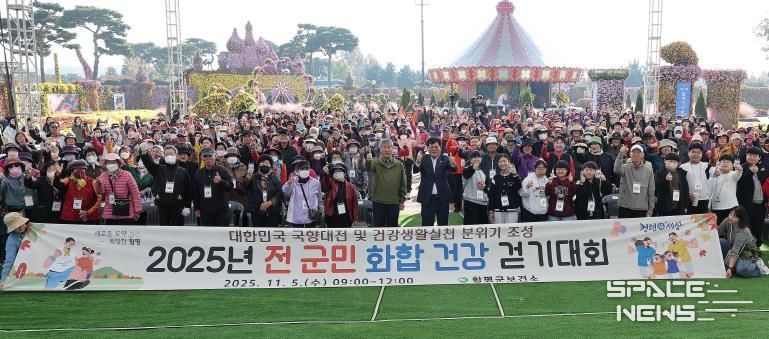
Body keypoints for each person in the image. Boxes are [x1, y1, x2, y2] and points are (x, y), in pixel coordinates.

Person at [142, 144, 193, 226]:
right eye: (167, 154)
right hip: (163, 205)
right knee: (164, 229)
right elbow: (148, 163)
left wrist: (187, 206)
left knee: (178, 229)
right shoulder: (158, 169)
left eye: (171, 154)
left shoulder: (183, 171)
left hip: (178, 206)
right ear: (164, 156)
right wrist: (144, 152)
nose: (169, 156)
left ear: (176, 156)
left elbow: (188, 189)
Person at [360, 139, 407, 227]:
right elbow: (364, 167)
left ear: (392, 149)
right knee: (378, 229)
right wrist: (365, 158)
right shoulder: (375, 162)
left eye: (389, 147)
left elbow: (403, 184)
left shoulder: (399, 164)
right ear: (380, 149)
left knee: (392, 229)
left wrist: (402, 201)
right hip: (378, 202)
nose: (386, 150)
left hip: (394, 202)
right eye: (384, 147)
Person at [414, 137, 457, 226]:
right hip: (427, 198)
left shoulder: (445, 159)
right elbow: (415, 170)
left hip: (442, 198)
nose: (434, 149)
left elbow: (454, 169)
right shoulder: (423, 158)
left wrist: (453, 163)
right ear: (427, 148)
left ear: (440, 148)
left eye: (436, 147)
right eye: (431, 147)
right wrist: (417, 162)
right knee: (426, 225)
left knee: (443, 224)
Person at [718, 206, 769, 278]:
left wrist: (730, 268)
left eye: (735, 217)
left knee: (742, 270)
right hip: (733, 248)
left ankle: (760, 268)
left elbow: (736, 251)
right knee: (721, 242)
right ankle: (733, 264)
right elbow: (718, 232)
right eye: (731, 214)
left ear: (740, 220)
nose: (731, 217)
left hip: (747, 252)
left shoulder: (743, 231)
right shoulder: (727, 221)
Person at [95, 153, 142, 225]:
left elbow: (135, 193)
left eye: (113, 162)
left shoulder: (127, 174)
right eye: (108, 162)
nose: (111, 164)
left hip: (126, 212)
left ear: (118, 163)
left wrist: (137, 211)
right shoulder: (103, 175)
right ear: (106, 164)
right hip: (110, 213)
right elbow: (100, 192)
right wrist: (99, 184)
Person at [736, 146, 769, 247]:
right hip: (746, 205)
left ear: (759, 157)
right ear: (746, 156)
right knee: (746, 227)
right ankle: (745, 249)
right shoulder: (741, 168)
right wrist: (750, 172)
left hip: (761, 205)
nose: (752, 157)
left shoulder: (764, 169)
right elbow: (741, 185)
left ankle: (757, 249)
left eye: (755, 155)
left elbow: (767, 186)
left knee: (758, 228)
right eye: (750, 155)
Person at [193, 147, 234, 226]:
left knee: (221, 235)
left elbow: (230, 187)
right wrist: (196, 208)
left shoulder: (223, 170)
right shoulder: (199, 173)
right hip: (205, 212)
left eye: (210, 156)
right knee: (206, 236)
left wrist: (221, 181)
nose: (208, 159)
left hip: (221, 212)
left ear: (214, 156)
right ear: (202, 158)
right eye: (205, 157)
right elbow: (196, 192)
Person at [614, 144, 655, 218]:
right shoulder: (625, 167)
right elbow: (616, 170)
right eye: (634, 152)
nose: (636, 154)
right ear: (630, 154)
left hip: (641, 208)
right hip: (625, 207)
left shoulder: (648, 171)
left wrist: (651, 207)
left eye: (638, 152)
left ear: (643, 155)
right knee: (624, 229)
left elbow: (651, 190)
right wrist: (620, 154)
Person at [56, 160, 101, 224]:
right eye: (77, 169)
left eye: (83, 169)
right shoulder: (67, 180)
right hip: (69, 218)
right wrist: (57, 176)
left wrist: (88, 212)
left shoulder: (91, 181)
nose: (81, 171)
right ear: (71, 171)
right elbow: (58, 185)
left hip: (89, 218)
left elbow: (99, 198)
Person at [244, 155, 283, 227]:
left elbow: (280, 193)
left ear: (271, 166)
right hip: (256, 211)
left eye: (267, 163)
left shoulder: (275, 178)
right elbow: (245, 188)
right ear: (258, 165)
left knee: (271, 233)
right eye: (262, 163)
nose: (264, 165)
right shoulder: (253, 176)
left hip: (272, 212)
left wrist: (270, 202)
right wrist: (247, 179)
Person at [283, 157, 322, 228]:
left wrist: (321, 210)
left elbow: (319, 198)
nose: (304, 170)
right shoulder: (293, 181)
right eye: (302, 169)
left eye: (306, 169)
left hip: (311, 217)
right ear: (297, 171)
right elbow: (285, 192)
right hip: (296, 218)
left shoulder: (316, 183)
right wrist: (288, 184)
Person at [487, 154, 522, 224]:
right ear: (498, 163)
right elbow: (492, 195)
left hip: (512, 210)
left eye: (504, 161)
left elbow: (519, 187)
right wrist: (491, 211)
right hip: (498, 210)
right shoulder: (495, 178)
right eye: (500, 162)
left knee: (510, 232)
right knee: (498, 232)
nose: (502, 163)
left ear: (508, 162)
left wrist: (515, 174)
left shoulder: (514, 176)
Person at [0, 212, 31, 289]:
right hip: (26, 266)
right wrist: (2, 280)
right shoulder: (11, 241)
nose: (20, 227)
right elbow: (9, 260)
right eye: (16, 226)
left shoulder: (34, 229)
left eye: (21, 224)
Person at [679, 143, 712, 215]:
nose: (696, 154)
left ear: (702, 154)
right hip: (690, 200)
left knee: (702, 224)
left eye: (698, 152)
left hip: (704, 199)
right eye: (693, 152)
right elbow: (681, 185)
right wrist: (687, 194)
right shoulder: (683, 167)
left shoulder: (707, 166)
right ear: (688, 153)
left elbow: (714, 174)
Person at [324, 163, 359, 228]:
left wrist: (355, 217)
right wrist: (326, 174)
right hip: (332, 216)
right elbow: (326, 182)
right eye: (335, 171)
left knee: (345, 236)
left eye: (339, 171)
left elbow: (355, 204)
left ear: (344, 173)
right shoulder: (331, 183)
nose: (337, 173)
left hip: (346, 216)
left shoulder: (351, 187)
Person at [708, 155, 741, 224]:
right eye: (723, 162)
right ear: (719, 163)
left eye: (728, 162)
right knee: (718, 229)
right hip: (716, 207)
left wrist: (739, 169)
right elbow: (709, 191)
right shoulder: (713, 175)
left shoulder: (733, 174)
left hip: (731, 207)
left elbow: (738, 173)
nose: (726, 163)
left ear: (732, 165)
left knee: (730, 228)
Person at [461, 151, 489, 225]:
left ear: (481, 159)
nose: (476, 159)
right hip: (471, 202)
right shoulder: (467, 169)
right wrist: (473, 168)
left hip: (483, 203)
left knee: (483, 228)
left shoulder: (483, 171)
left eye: (478, 157)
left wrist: (484, 187)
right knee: (471, 227)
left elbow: (487, 187)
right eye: (474, 157)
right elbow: (466, 174)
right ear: (470, 160)